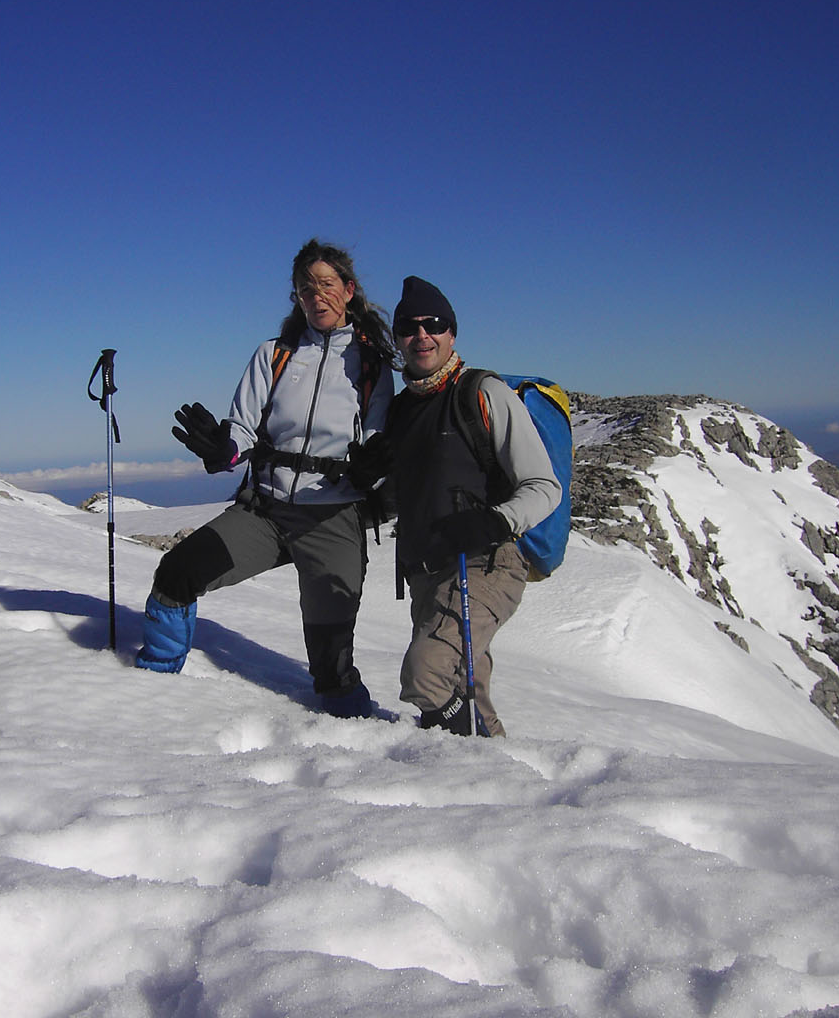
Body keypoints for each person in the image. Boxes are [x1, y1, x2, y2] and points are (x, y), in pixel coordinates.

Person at [135, 239, 396, 718]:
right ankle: (151, 684)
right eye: (305, 288)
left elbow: (377, 436)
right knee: (177, 573)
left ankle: (364, 736)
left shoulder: (370, 365)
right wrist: (226, 449)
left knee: (332, 666)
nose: (316, 296)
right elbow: (243, 426)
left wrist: (371, 467)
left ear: (348, 290)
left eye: (326, 285)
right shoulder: (274, 355)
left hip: (332, 517)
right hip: (265, 511)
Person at [376, 276, 561, 735]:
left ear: (452, 333)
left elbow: (544, 486)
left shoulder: (481, 393)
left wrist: (494, 522)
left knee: (427, 673)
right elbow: (405, 491)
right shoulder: (402, 410)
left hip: (486, 562)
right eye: (409, 327)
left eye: (434, 324)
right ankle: (490, 766)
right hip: (426, 571)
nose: (422, 335)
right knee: (464, 687)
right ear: (398, 339)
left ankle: (456, 761)